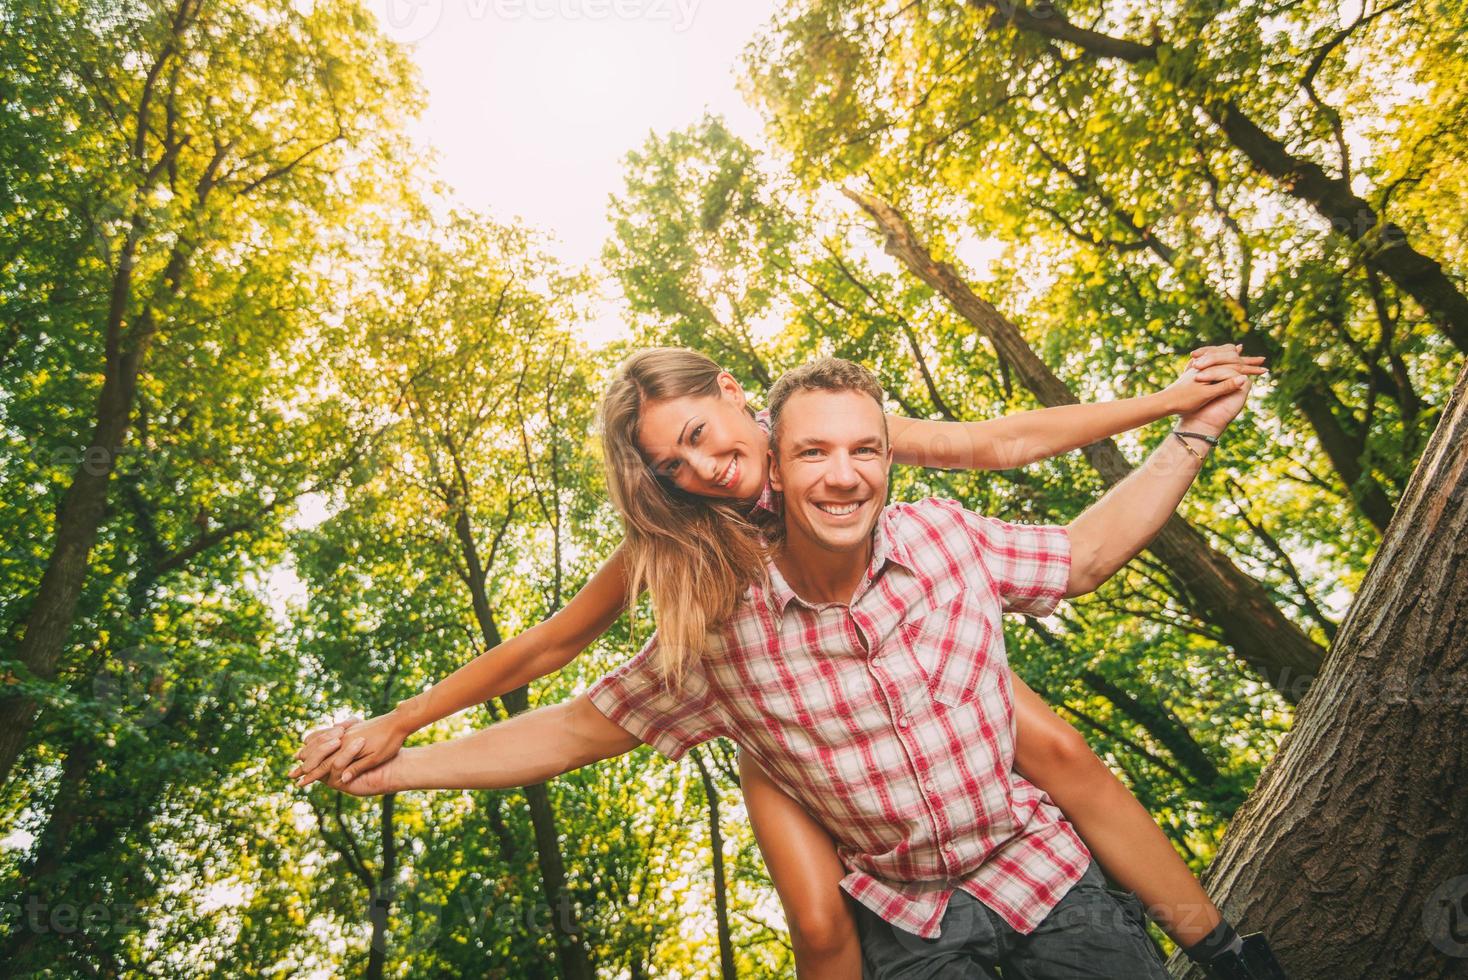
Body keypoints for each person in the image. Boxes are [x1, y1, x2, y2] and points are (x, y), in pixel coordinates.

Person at [292, 347, 1271, 977]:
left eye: (702, 437)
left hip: (912, 633)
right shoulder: (686, 553)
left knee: (1053, 749)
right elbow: (554, 653)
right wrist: (403, 729)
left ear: (732, 393)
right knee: (815, 915)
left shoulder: (840, 452)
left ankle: (1208, 940)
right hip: (777, 695)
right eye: (674, 466)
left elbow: (999, 442)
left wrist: (1175, 402)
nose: (704, 468)